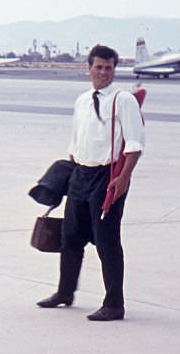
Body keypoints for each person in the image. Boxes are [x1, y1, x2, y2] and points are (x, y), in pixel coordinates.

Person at [36, 44, 144, 321]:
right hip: (80, 174)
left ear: (114, 70)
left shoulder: (123, 100)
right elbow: (76, 141)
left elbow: (134, 144)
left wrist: (123, 178)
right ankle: (64, 292)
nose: (103, 73)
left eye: (108, 68)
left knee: (106, 240)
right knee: (70, 237)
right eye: (98, 67)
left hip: (107, 177)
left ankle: (114, 304)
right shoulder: (82, 100)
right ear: (89, 69)